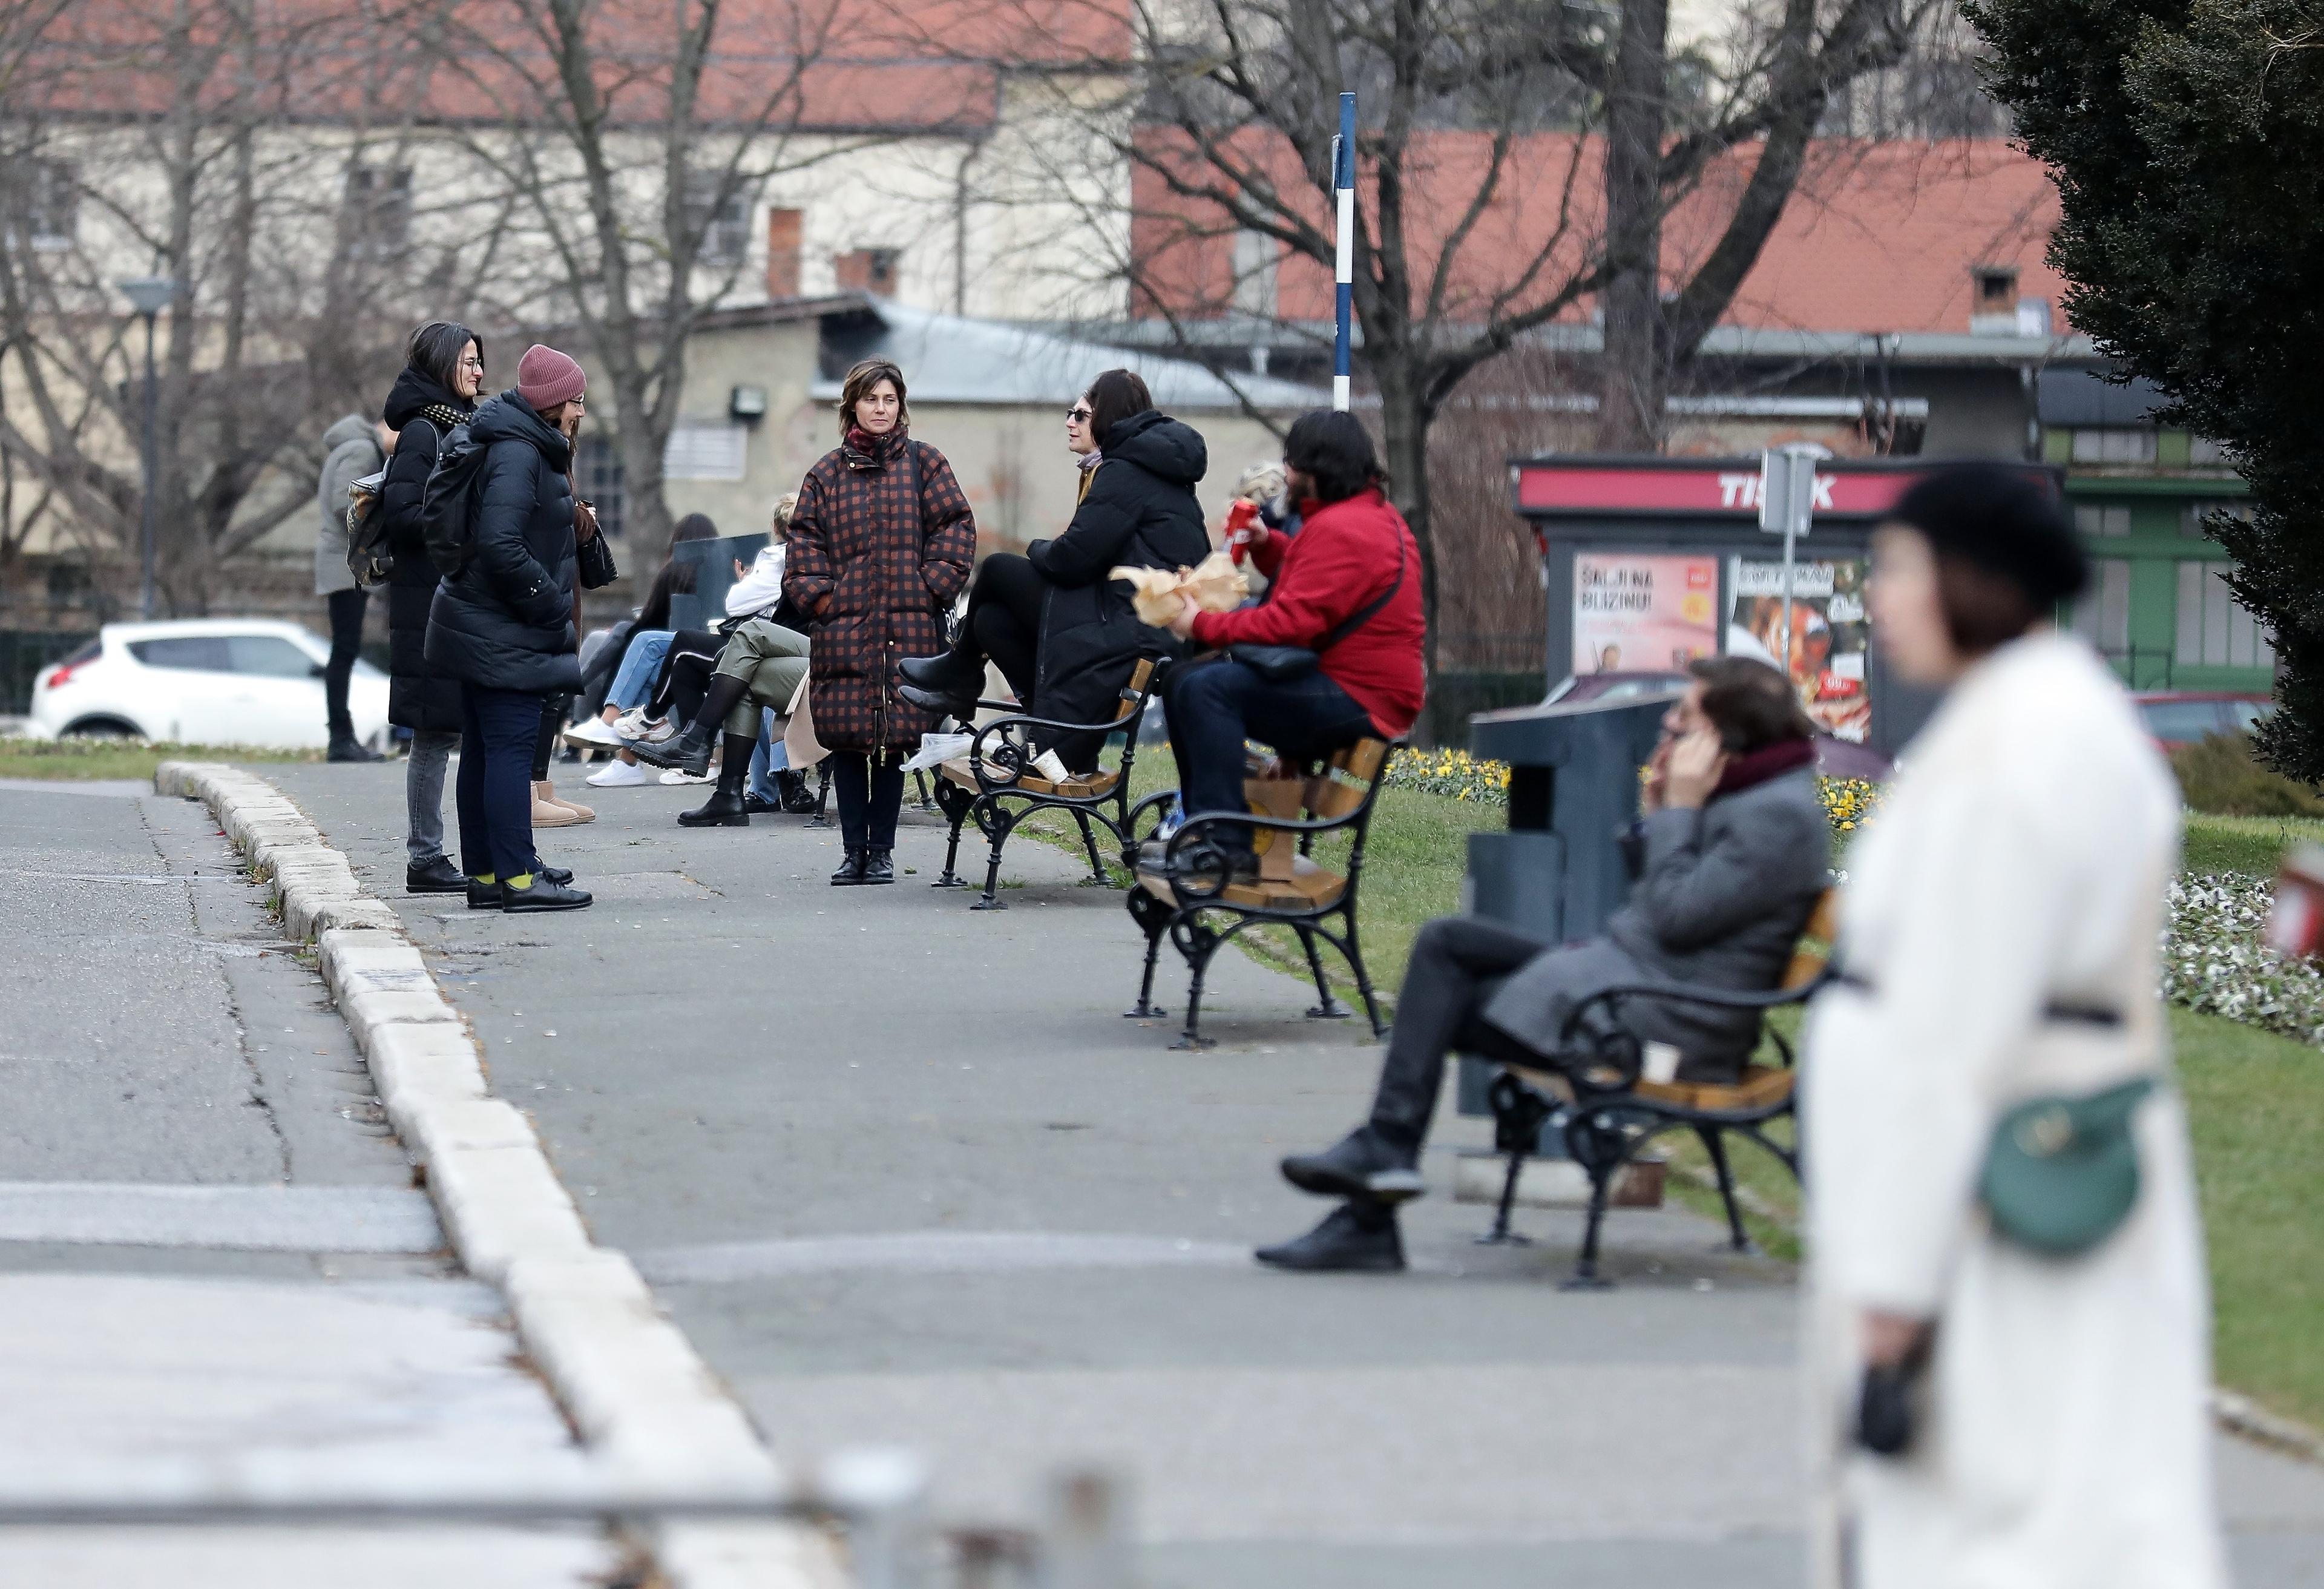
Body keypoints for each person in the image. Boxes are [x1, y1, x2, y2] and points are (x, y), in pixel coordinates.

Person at [1799, 464, 2224, 1588]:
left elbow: (1951, 1036)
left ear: (1975, 581)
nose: (1876, 599)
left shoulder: (2014, 754)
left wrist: (1892, 1288)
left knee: (2015, 1521)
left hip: (1993, 1215)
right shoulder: (2041, 722)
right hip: (2021, 1188)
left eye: (1897, 569)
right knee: (2066, 1503)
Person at [1256, 656, 1833, 1272]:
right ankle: (1380, 1164)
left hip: (1664, 1024)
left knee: (1446, 999)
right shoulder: (1753, 791)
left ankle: (1373, 1194)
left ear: (1730, 738)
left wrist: (1677, 812)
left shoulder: (1778, 816)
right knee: (1449, 942)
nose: (1668, 722)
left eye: (1685, 715)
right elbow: (1675, 910)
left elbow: (1673, 918)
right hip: (1635, 981)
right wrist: (1663, 806)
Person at [1157, 411, 1425, 877]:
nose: (1286, 476)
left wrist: (1200, 624)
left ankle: (1226, 845)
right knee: (1186, 678)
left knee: (1206, 688)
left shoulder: (1346, 528)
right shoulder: (1362, 517)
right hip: (1352, 685)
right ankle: (1207, 826)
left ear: (1314, 470)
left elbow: (1291, 622)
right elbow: (1320, 581)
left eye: (1291, 464)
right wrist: (1266, 543)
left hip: (1360, 697)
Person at [897, 369, 1208, 766]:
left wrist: (1035, 547)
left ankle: (961, 677)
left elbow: (1072, 558)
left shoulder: (1125, 470)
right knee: (991, 620)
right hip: (1128, 615)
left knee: (996, 570)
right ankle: (972, 682)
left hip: (1128, 623)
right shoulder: (1145, 467)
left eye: (1081, 414)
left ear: (1106, 416)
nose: (1070, 422)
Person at [424, 344, 615, 913]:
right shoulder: (520, 454)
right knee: (506, 751)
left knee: (484, 751)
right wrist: (548, 602)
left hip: (483, 623)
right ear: (555, 402)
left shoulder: (513, 442)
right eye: (577, 401)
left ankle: (487, 873)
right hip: (505, 627)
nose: (581, 412)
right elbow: (501, 544)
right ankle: (521, 879)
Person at [783, 358, 975, 884]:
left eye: (890, 400)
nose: (882, 409)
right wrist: (824, 601)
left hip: (909, 628)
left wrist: (929, 587)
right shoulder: (824, 475)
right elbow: (803, 547)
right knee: (846, 740)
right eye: (872, 399)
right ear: (853, 405)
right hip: (844, 629)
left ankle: (883, 851)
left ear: (901, 405)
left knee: (897, 740)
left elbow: (955, 527)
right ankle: (852, 852)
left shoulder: (925, 464)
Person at [378, 321, 484, 893]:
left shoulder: (461, 425)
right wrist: (463, 531)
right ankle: (425, 856)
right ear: (443, 365)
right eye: (468, 361)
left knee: (453, 728)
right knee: (433, 732)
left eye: (479, 361)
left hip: (451, 598)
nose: (478, 372)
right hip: (428, 603)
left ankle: (462, 852)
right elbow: (403, 517)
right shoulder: (424, 431)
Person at [316, 413, 389, 762]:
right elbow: (345, 505)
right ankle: (340, 737)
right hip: (346, 564)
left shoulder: (352, 446)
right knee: (345, 650)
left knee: (344, 650)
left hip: (341, 562)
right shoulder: (363, 450)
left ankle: (341, 736)